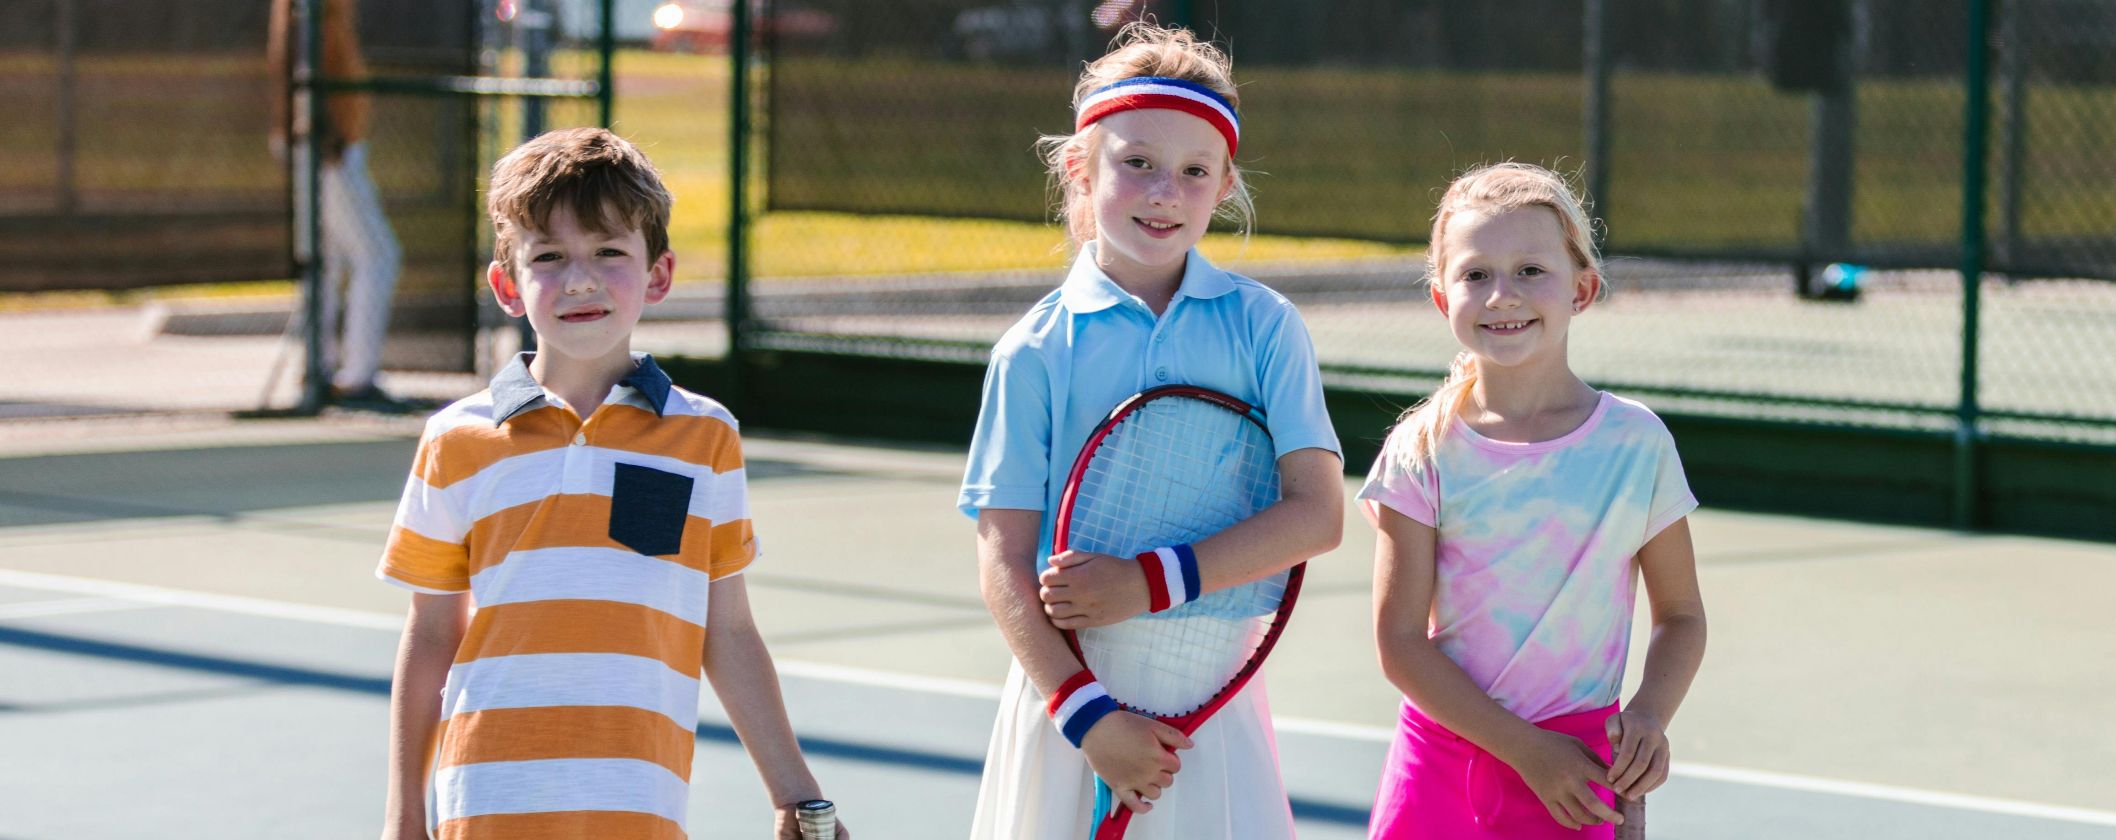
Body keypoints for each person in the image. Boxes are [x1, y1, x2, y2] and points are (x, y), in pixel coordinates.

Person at [374, 127, 844, 840]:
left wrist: (796, 794)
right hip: (487, 801)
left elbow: (728, 630)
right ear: (507, 286)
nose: (580, 280)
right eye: (549, 257)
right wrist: (404, 814)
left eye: (608, 253)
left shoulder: (705, 437)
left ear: (658, 275)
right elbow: (433, 633)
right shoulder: (455, 439)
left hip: (639, 802)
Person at [957, 22, 1346, 840]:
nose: (1166, 191)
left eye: (1194, 171)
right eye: (1137, 162)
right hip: (1072, 706)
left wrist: (1147, 583)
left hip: (1212, 700)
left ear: (1224, 184)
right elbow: (1002, 559)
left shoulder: (1266, 326)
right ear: (1080, 167)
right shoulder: (1033, 350)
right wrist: (1089, 718)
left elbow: (1317, 515)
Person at [1360, 163, 1708, 839]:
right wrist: (1526, 751)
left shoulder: (1637, 445)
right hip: (1443, 770)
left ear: (1582, 289)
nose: (1502, 296)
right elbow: (1399, 643)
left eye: (1529, 271)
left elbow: (1682, 615)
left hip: (1578, 777)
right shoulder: (1420, 448)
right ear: (1442, 298)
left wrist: (1647, 717)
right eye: (1476, 274)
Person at [267, 0, 404, 407]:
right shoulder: (307, 9)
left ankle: (321, 370)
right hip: (325, 146)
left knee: (328, 261)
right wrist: (321, 133)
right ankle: (356, 379)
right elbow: (299, 56)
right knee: (378, 255)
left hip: (327, 143)